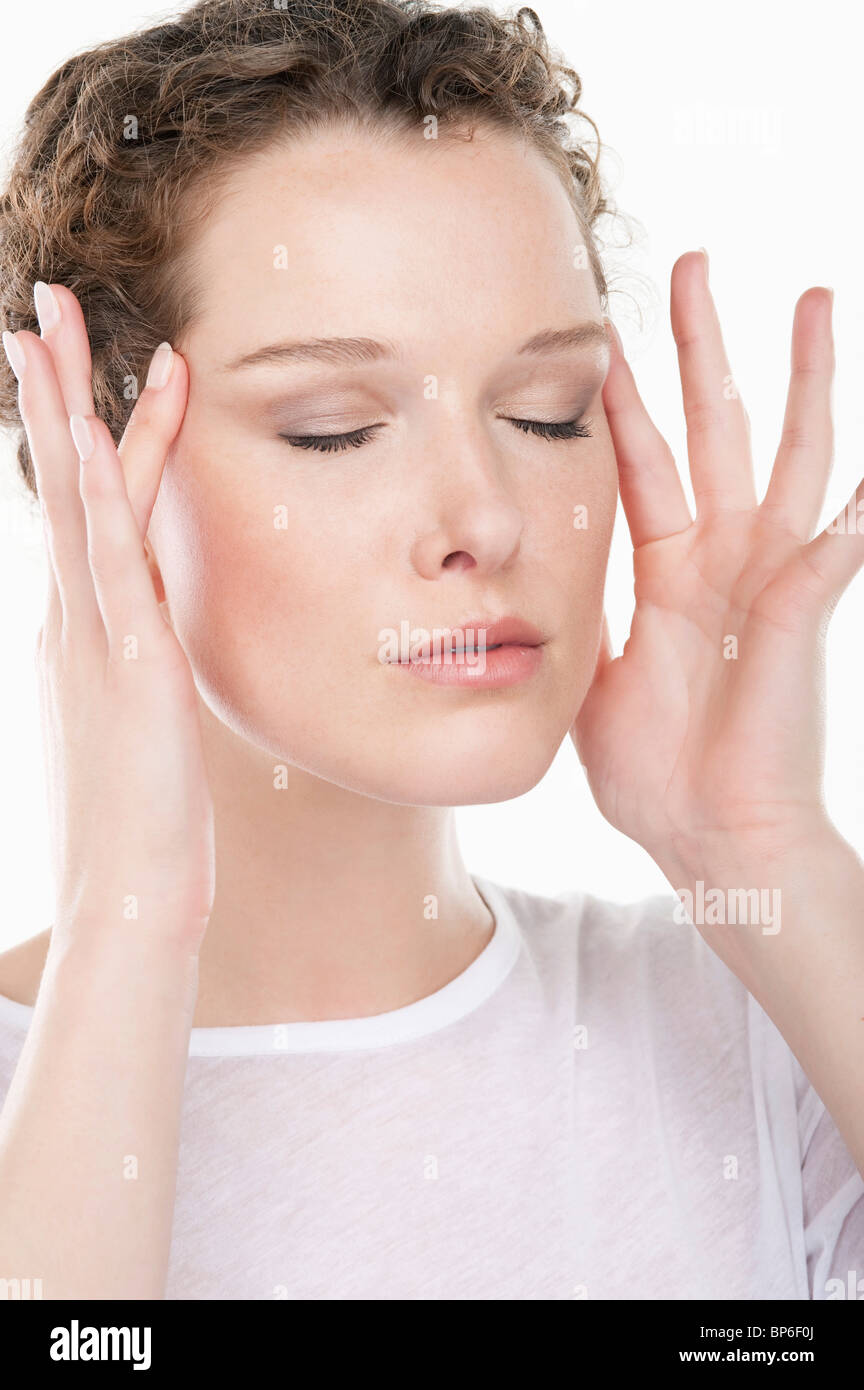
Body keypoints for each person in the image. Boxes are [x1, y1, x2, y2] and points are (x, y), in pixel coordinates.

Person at [0, 0, 861, 1301]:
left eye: (545, 409)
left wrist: (764, 850)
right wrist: (124, 929)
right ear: (91, 473)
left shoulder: (765, 1034)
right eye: (336, 428)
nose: (486, 520)